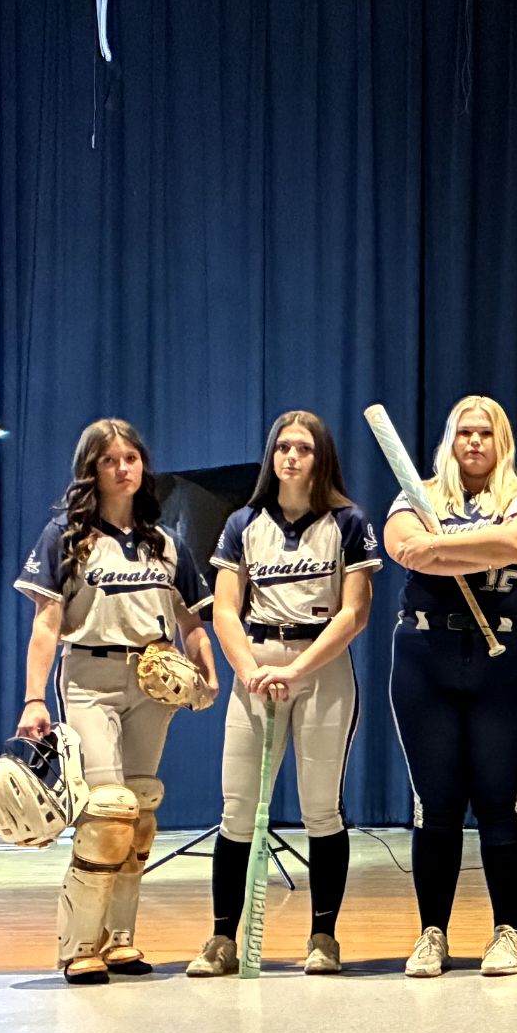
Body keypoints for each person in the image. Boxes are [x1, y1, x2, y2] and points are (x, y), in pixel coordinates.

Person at [12, 418, 217, 983]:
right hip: (89, 676)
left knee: (141, 810)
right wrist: (33, 699)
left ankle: (120, 938)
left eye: (131, 458)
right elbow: (46, 623)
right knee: (107, 810)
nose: (123, 468)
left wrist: (207, 671)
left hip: (152, 681)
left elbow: (191, 620)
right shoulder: (67, 537)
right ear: (92, 470)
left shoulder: (164, 543)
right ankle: (79, 945)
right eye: (109, 460)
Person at [190, 411, 380, 977]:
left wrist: (297, 668)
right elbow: (226, 609)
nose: (291, 456)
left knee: (321, 808)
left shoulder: (349, 521)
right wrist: (250, 669)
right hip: (257, 667)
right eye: (282, 447)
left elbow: (355, 613)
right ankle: (222, 939)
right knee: (238, 809)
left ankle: (323, 937)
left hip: (321, 667)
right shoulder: (243, 523)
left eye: (303, 448)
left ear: (322, 458)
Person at [383, 395, 517, 979]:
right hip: (424, 654)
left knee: (501, 800)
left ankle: (508, 931)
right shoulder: (419, 494)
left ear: (501, 441)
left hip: (501, 657)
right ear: (450, 440)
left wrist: (440, 548)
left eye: (485, 433)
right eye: (464, 433)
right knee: (436, 803)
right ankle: (432, 932)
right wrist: (478, 545)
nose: (474, 442)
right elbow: (402, 547)